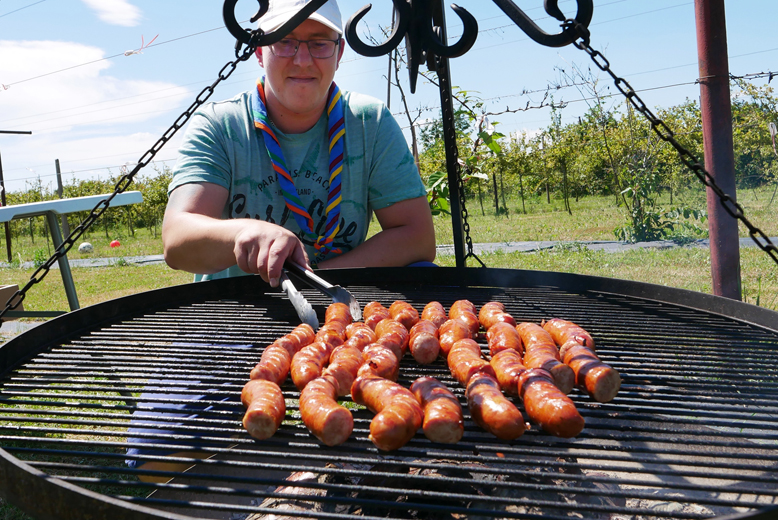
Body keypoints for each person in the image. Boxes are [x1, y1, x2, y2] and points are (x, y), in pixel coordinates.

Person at [162, 0, 436, 287]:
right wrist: (245, 232)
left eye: (319, 44)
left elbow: (417, 236)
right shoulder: (220, 125)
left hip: (336, 309)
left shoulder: (370, 121)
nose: (303, 60)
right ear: (259, 51)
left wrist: (317, 281)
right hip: (242, 309)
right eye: (284, 41)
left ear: (339, 52)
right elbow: (177, 240)